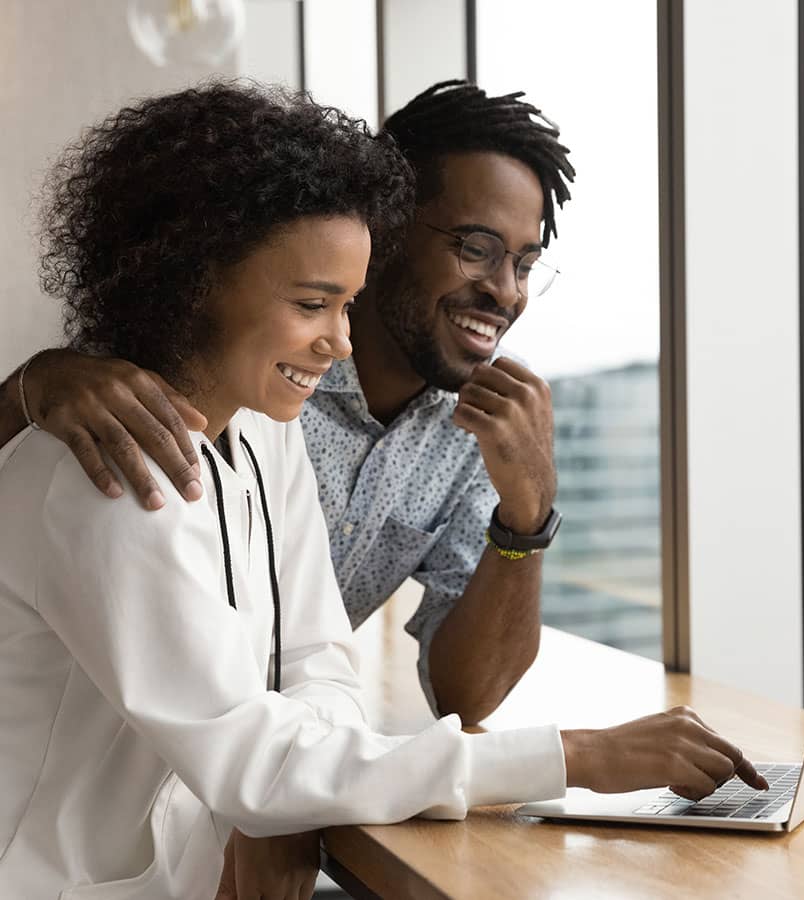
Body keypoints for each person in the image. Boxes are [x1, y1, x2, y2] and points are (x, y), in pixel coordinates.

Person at [0, 83, 767, 900]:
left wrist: (292, 801)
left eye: (347, 303)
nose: (338, 338)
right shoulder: (112, 461)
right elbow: (247, 755)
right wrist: (575, 755)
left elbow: (315, 660)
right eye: (313, 303)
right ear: (195, 281)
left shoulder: (263, 432)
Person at [0, 81, 574, 725]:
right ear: (384, 228)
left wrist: (527, 521)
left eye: (525, 264)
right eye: (477, 249)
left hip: (255, 769)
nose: (505, 290)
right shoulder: (234, 377)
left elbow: (459, 696)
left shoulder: (473, 432)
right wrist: (27, 388)